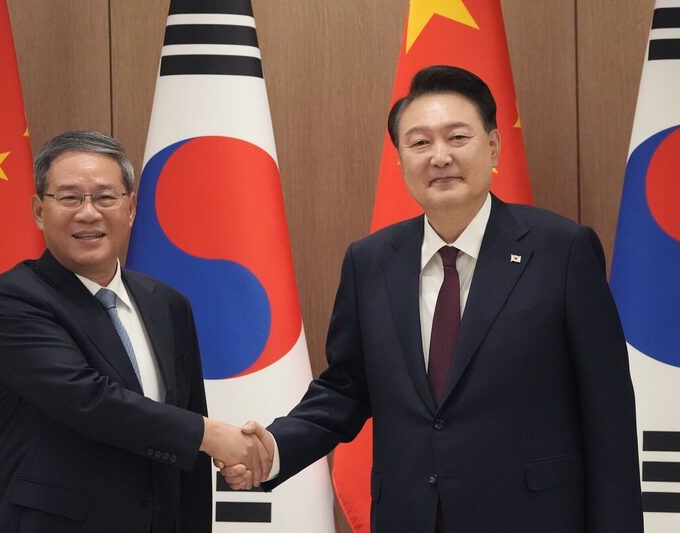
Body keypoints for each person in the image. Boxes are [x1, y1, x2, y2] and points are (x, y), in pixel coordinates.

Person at [222, 66, 644, 532]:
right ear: (400, 160)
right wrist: (275, 448)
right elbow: (346, 388)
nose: (439, 157)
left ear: (494, 146)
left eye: (457, 137)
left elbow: (609, 417)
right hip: (411, 518)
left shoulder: (561, 251)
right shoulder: (371, 261)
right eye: (420, 143)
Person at [0, 131, 269, 533]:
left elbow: (188, 439)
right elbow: (88, 400)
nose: (88, 213)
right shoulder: (14, 299)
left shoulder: (167, 304)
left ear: (131, 208)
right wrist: (212, 435)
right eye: (69, 197)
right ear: (39, 210)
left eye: (104, 197)